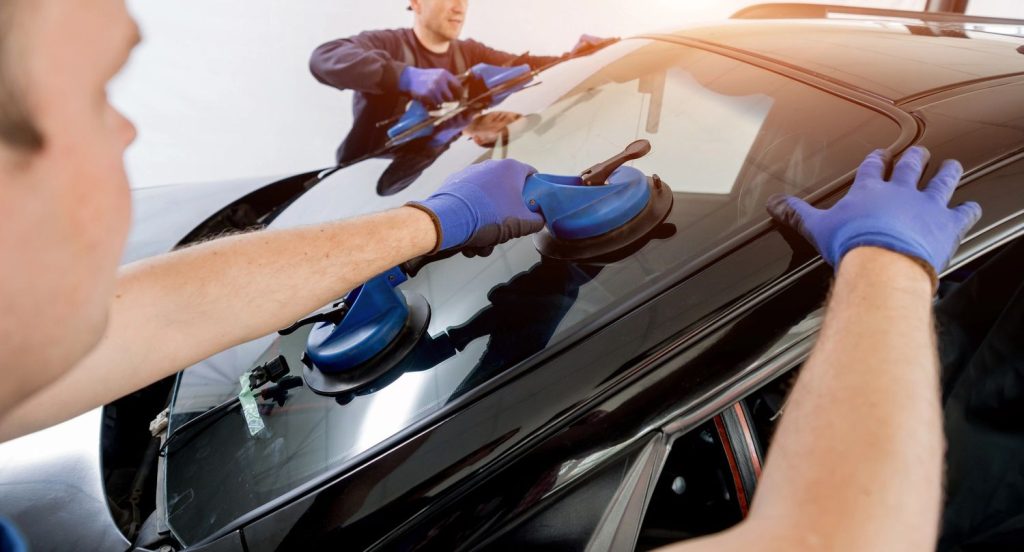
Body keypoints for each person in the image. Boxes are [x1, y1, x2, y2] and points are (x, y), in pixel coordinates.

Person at [0, 1, 988, 551]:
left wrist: (437, 215)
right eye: (96, 94)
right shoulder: (382, 50)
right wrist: (889, 268)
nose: (129, 131)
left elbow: (143, 313)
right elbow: (834, 539)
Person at [309, 0, 604, 164]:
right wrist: (401, 76)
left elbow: (530, 67)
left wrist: (577, 56)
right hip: (363, 180)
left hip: (427, 179)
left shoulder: (471, 54)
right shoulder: (389, 45)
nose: (459, 7)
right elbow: (324, 58)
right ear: (416, 3)